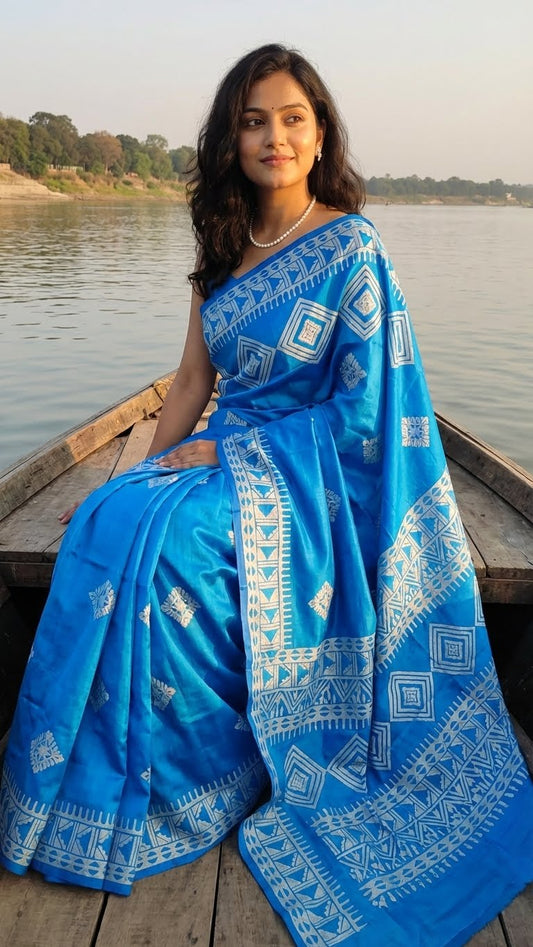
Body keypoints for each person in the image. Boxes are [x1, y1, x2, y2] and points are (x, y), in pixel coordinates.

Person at [1, 43, 532, 947]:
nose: (273, 137)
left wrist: (225, 452)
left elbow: (367, 411)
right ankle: (90, 781)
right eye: (253, 121)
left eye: (291, 118)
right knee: (108, 517)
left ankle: (193, 772)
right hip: (227, 451)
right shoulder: (224, 241)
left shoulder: (350, 245)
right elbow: (187, 380)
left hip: (314, 478)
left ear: (319, 132)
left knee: (173, 546)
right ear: (232, 140)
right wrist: (145, 467)